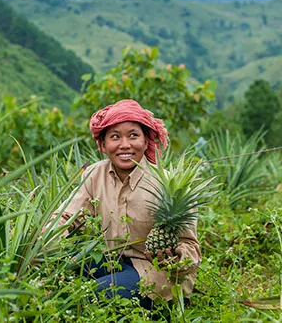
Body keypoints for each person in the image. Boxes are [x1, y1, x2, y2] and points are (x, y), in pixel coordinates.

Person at [48, 99, 202, 307]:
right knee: (60, 264)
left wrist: (176, 258)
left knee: (97, 293)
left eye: (133, 135)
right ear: (102, 145)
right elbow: (66, 217)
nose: (125, 145)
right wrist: (42, 242)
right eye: (115, 137)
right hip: (111, 261)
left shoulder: (167, 184)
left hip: (154, 271)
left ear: (146, 141)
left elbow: (190, 245)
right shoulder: (95, 174)